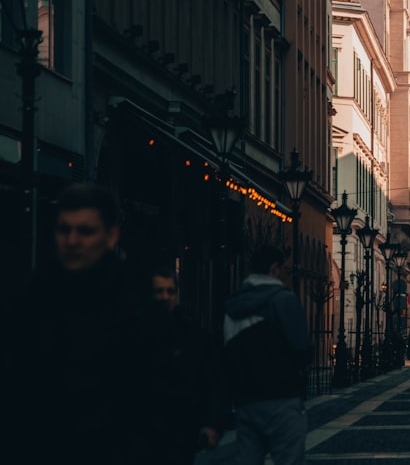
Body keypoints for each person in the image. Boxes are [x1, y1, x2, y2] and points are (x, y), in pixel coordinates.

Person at [1, 182, 151, 463]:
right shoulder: (28, 300)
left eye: (85, 231)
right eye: (64, 229)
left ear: (111, 236)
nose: (72, 240)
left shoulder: (137, 307)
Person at [224, 245, 310, 465]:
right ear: (274, 268)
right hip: (282, 397)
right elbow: (301, 349)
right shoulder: (284, 299)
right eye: (284, 269)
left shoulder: (233, 306)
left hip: (246, 400)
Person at [147, 268, 226, 464]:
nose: (165, 297)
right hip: (142, 434)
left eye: (170, 291)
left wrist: (212, 424)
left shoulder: (194, 337)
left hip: (180, 433)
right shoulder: (132, 333)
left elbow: (211, 382)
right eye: (159, 291)